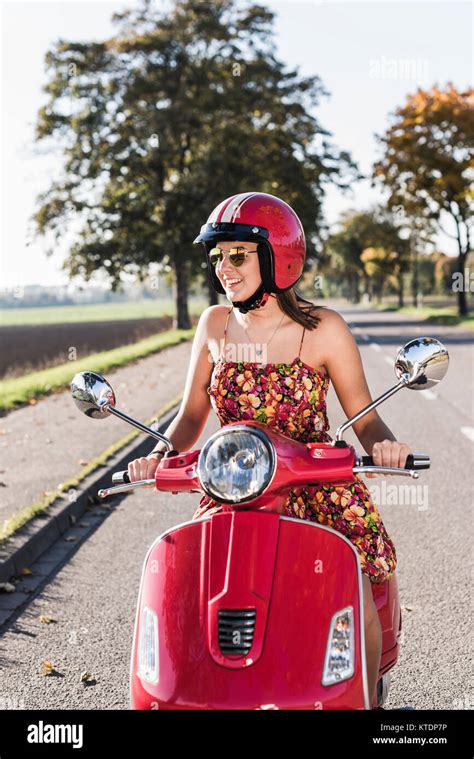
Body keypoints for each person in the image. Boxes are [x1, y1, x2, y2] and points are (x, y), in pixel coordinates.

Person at [127, 191, 412, 708]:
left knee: (358, 600)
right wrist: (160, 452)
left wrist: (385, 446)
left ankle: (366, 703)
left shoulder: (323, 329)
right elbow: (192, 415)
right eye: (218, 257)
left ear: (279, 258)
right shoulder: (214, 325)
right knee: (190, 603)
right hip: (233, 492)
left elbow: (364, 418)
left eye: (237, 255)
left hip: (318, 487)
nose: (224, 270)